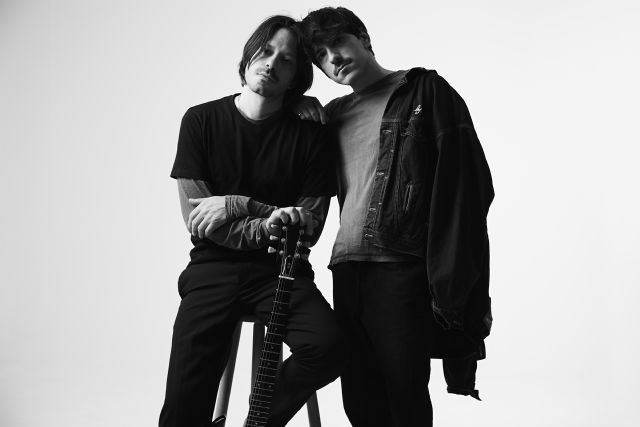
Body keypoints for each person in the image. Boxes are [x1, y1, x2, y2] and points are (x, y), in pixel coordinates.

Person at [295, 7, 495, 427]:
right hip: (346, 268)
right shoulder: (332, 116)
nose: (333, 58)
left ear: (364, 38)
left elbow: (468, 181)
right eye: (321, 56)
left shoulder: (425, 91)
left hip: (401, 266)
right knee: (359, 396)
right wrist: (300, 106)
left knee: (404, 391)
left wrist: (452, 275)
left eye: (339, 42)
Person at [159, 15, 345, 427]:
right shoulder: (200, 121)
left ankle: (257, 421)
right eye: (265, 51)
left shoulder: (312, 134)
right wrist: (266, 217)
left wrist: (234, 205)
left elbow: (309, 226)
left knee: (329, 347)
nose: (271, 63)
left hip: (281, 270)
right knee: (184, 400)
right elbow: (200, 220)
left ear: (297, 78)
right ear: (247, 57)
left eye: (287, 59)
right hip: (212, 269)